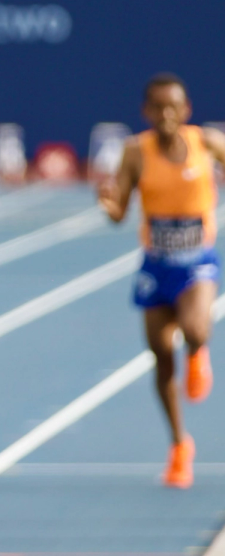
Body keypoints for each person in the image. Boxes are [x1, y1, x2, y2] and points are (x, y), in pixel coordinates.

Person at [99, 73, 225, 489]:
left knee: (194, 326)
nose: (166, 115)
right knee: (159, 357)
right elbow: (119, 211)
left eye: (174, 107)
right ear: (146, 112)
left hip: (197, 261)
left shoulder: (205, 143)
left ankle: (199, 351)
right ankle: (178, 445)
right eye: (158, 107)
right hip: (156, 266)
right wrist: (109, 204)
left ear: (186, 110)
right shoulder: (136, 152)